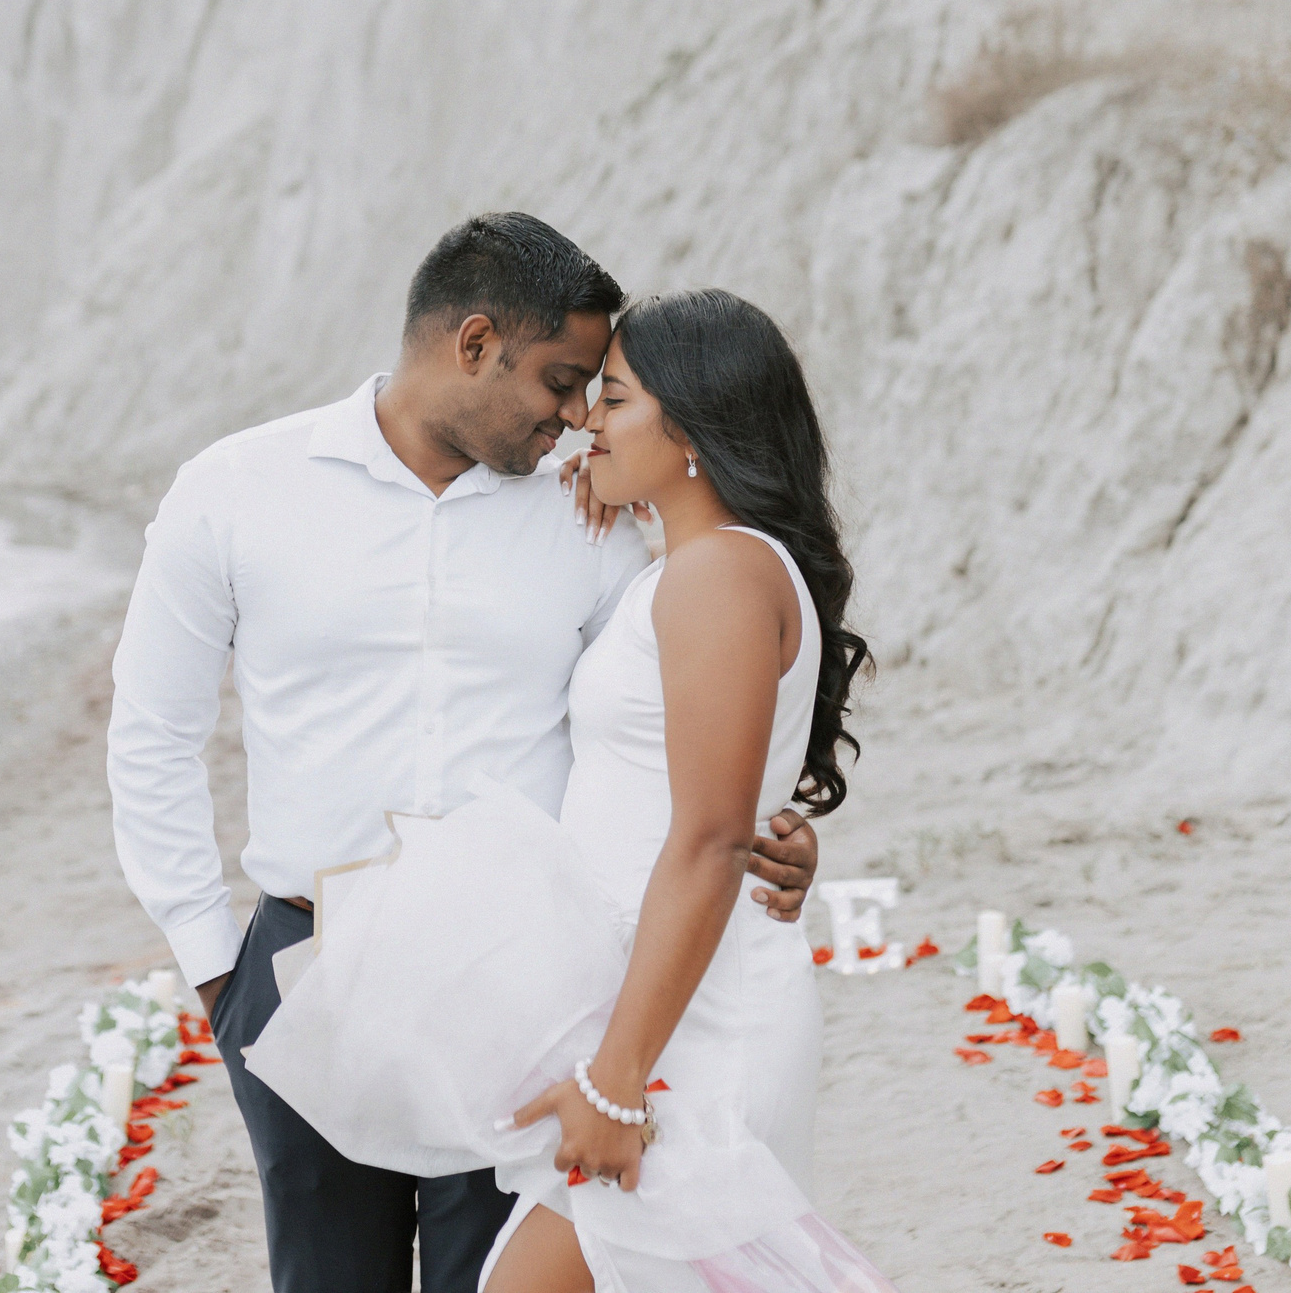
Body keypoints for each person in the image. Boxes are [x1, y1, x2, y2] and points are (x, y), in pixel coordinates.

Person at [106, 216, 824, 1293]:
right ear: (475, 343)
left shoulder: (593, 524)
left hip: (527, 988)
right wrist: (217, 967)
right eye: (561, 379)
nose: (576, 416)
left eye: (597, 390)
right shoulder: (237, 487)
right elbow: (151, 734)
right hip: (311, 968)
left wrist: (774, 833)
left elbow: (680, 735)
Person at [242, 288, 895, 1293]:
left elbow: (712, 838)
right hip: (666, 998)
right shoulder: (692, 565)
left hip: (690, 1026)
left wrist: (617, 1080)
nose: (587, 417)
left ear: (694, 428)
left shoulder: (716, 575)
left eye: (616, 398)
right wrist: (616, 489)